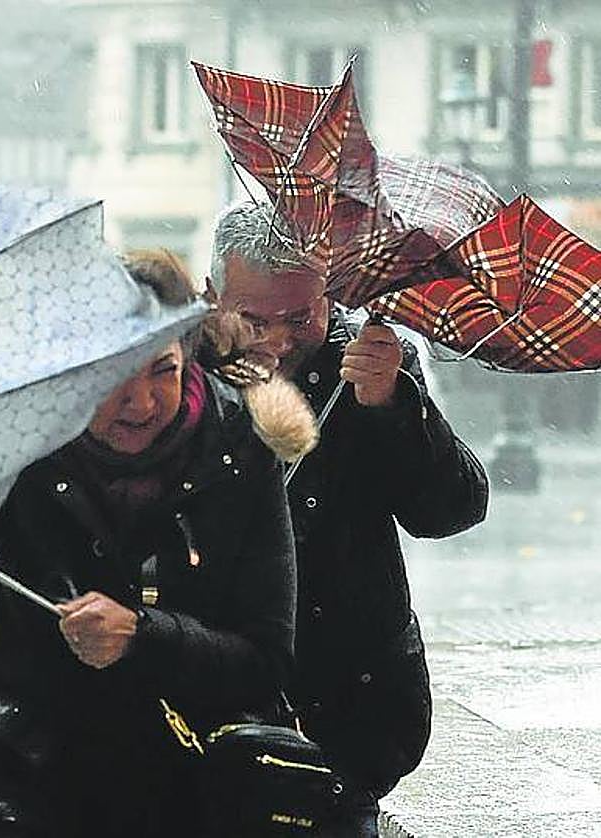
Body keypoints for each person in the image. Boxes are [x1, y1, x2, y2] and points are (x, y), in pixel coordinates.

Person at [0, 250, 299, 838]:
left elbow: (265, 661)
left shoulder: (240, 450)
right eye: (111, 376)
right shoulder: (25, 434)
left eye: (161, 370)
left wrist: (143, 635)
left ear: (188, 354)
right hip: (35, 786)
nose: (138, 403)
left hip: (196, 794)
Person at [207, 201, 490, 834]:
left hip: (354, 698)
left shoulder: (370, 360)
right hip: (218, 692)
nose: (280, 341)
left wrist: (392, 405)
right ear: (211, 297)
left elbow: (452, 509)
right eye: (254, 320)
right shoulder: (181, 377)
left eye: (301, 318)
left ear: (330, 296)